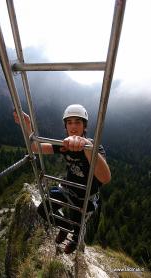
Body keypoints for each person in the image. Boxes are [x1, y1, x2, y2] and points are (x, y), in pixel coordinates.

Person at [14, 104, 111, 254]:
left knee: (78, 224)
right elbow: (35, 147)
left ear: (84, 126)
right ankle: (65, 228)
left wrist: (87, 147)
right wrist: (27, 126)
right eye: (69, 122)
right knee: (44, 209)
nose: (73, 127)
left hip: (85, 196)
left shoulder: (95, 147)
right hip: (68, 188)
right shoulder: (64, 145)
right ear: (65, 126)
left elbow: (105, 178)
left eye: (77, 122)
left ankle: (75, 238)